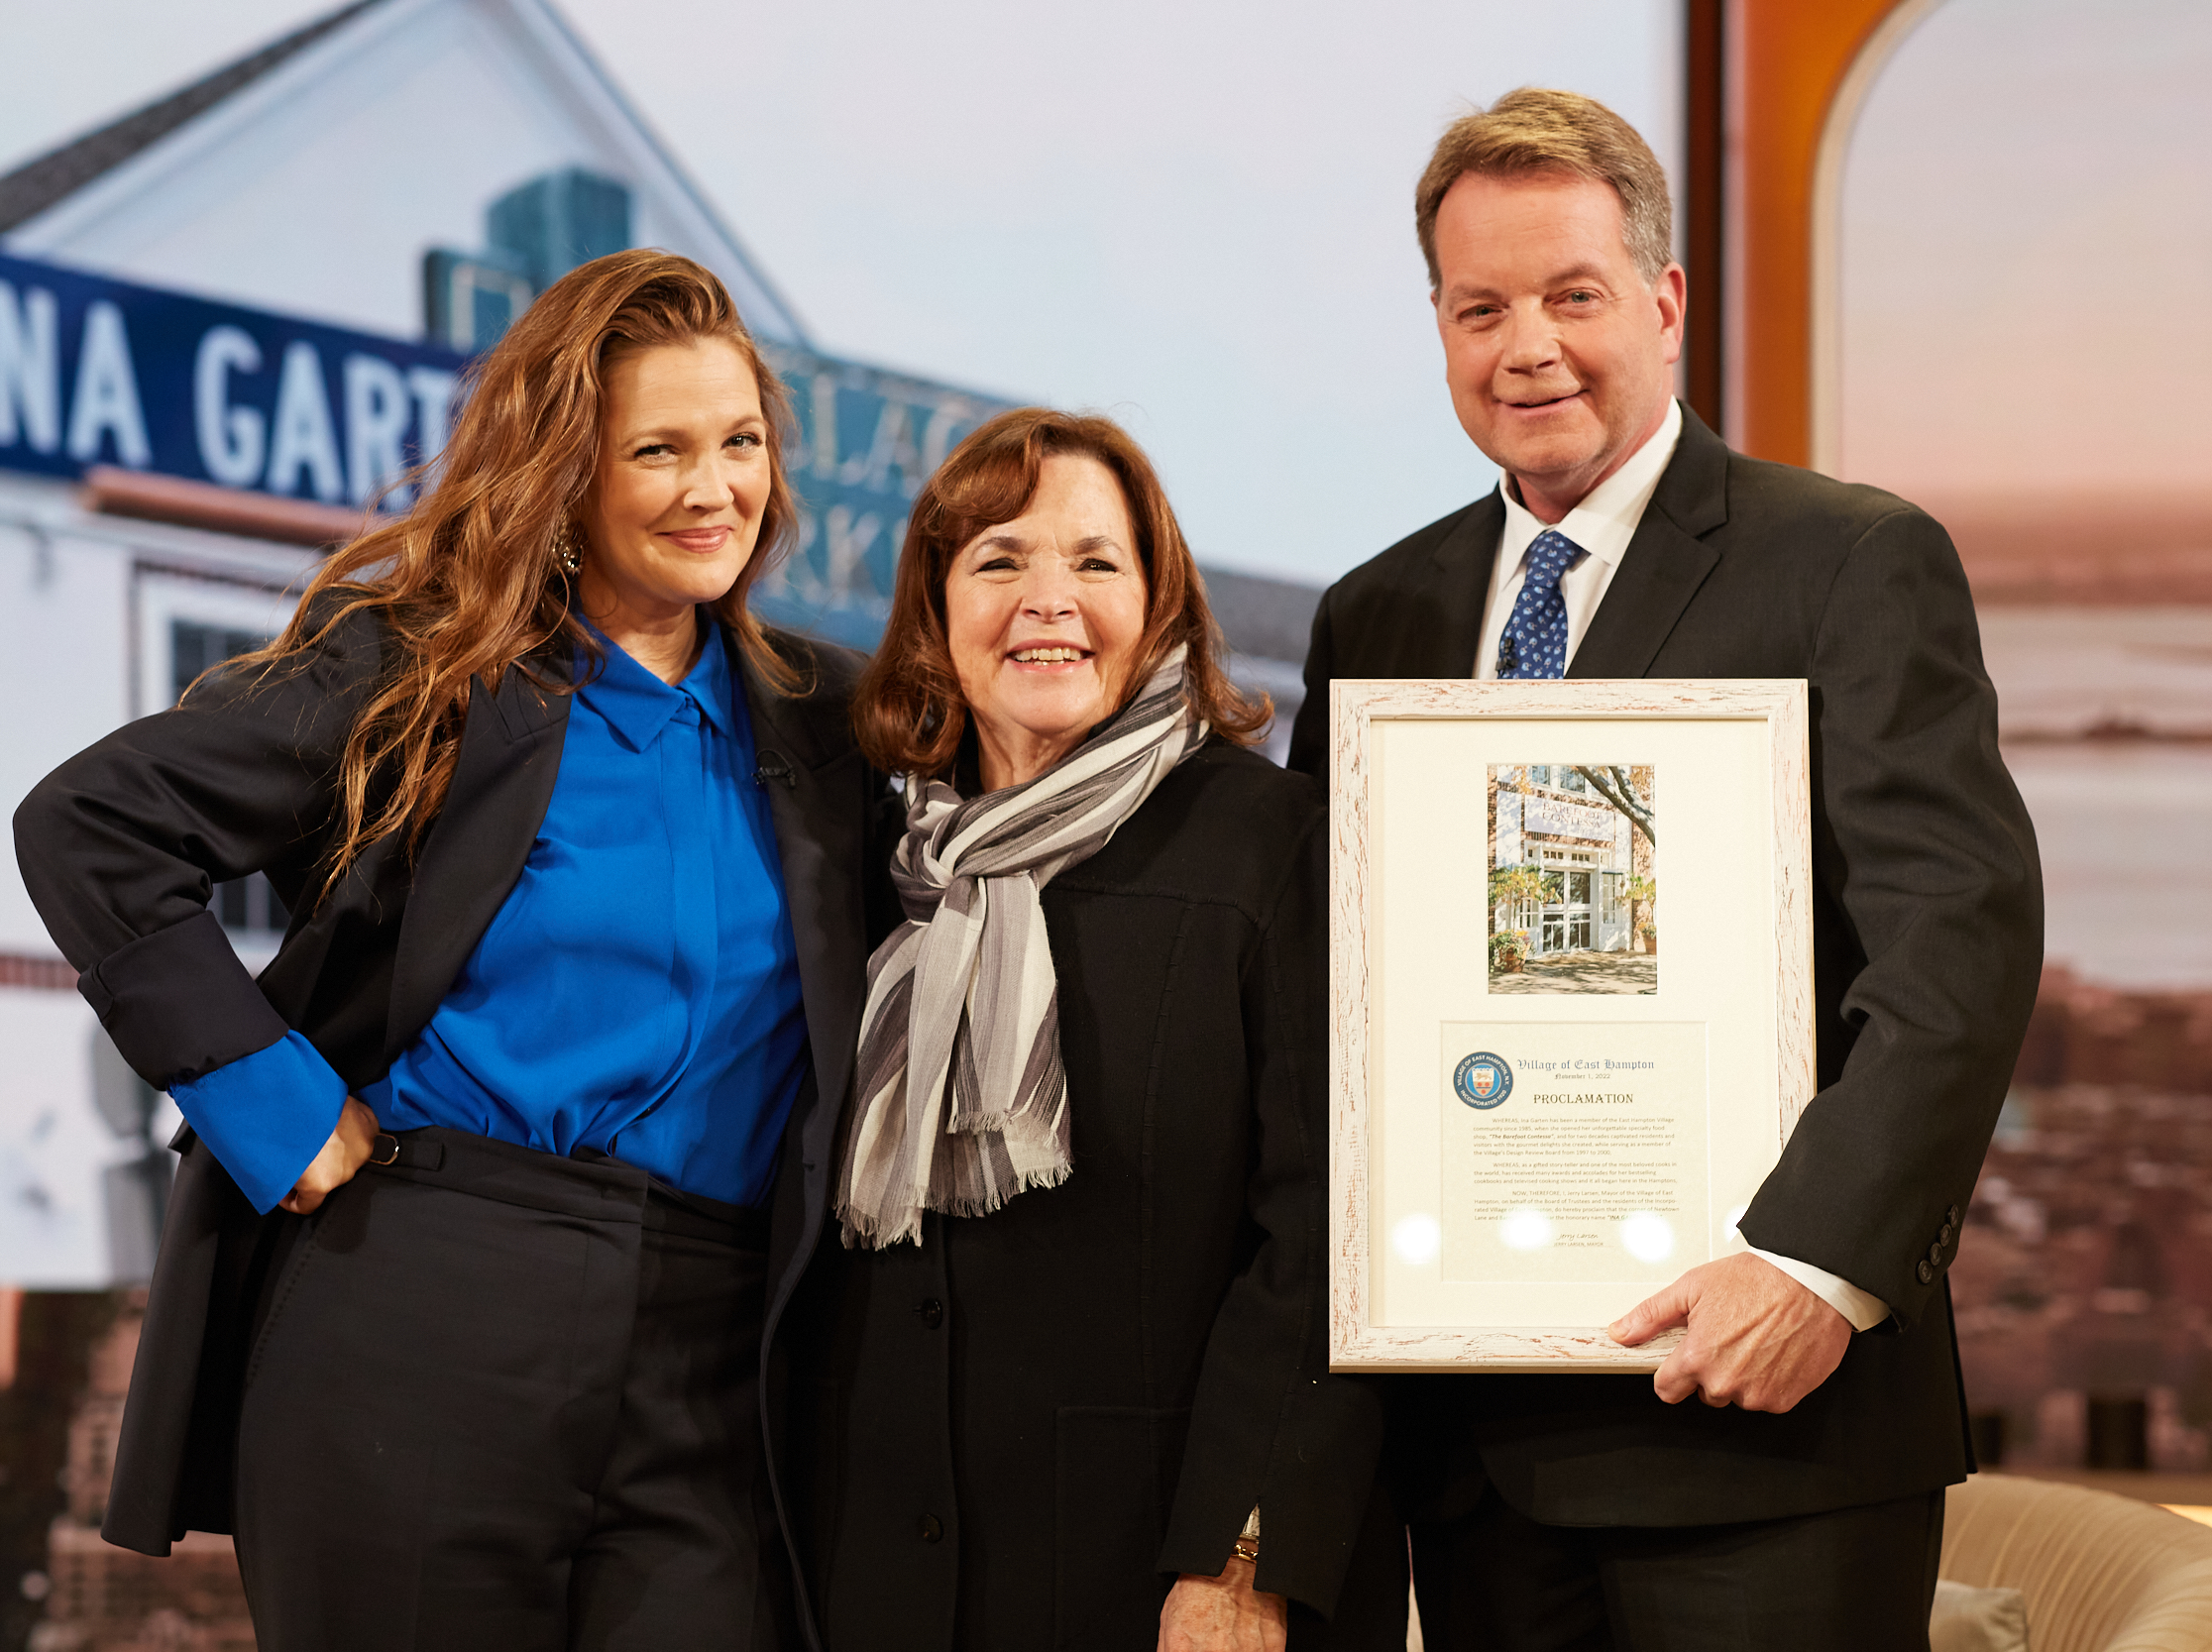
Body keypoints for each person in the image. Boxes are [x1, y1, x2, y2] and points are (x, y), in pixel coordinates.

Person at [14, 250, 888, 1650]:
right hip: (426, 1303)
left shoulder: (830, 723)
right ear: (566, 467)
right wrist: (271, 1100)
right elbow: (90, 826)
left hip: (723, 1360)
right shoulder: (425, 671)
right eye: (657, 448)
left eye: (739, 443)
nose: (713, 486)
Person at [1287, 89, 2044, 1648]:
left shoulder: (1847, 558)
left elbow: (1956, 939)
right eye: (1478, 306)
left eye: (1572, 295)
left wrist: (1818, 1267)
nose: (1528, 347)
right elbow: (1343, 996)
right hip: (1481, 1454)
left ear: (1666, 300)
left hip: (1771, 1425)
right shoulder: (1380, 616)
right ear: (1437, 325)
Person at [799, 407, 1399, 1650]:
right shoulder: (871, 856)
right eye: (999, 559)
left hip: (1165, 1570)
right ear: (934, 607)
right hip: (873, 1556)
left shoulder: (1269, 840)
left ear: (1161, 603)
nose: (1046, 598)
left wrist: (1241, 1556)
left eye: (1094, 561)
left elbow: (1331, 1236)